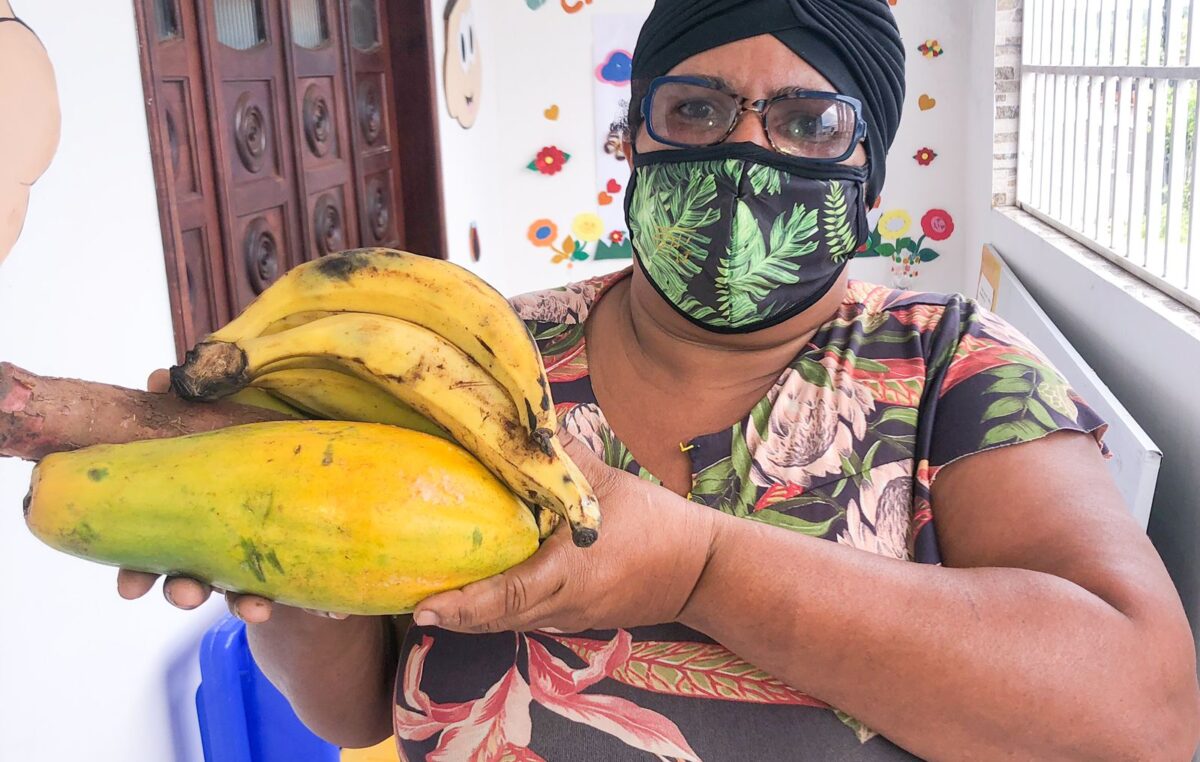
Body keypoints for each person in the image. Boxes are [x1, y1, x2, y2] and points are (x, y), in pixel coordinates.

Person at [122, 0, 1200, 758]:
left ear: (863, 174)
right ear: (635, 139)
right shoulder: (480, 360)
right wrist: (280, 582)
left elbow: (1144, 721)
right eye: (694, 110)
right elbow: (354, 715)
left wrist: (698, 568)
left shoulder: (957, 373)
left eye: (806, 123)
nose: (743, 153)